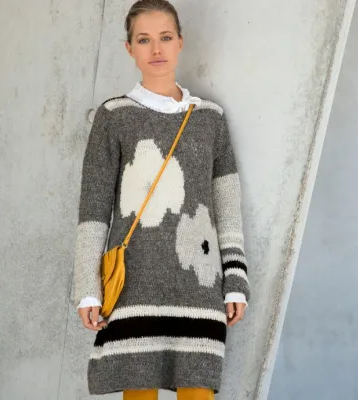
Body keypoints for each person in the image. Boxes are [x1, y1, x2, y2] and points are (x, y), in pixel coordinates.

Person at [71, 0, 251, 398]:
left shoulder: (210, 118)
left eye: (165, 37)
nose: (156, 49)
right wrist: (88, 287)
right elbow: (93, 208)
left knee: (198, 392)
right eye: (144, 39)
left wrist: (235, 280)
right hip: (133, 288)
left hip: (200, 287)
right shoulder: (114, 116)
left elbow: (226, 206)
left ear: (180, 42)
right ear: (129, 48)